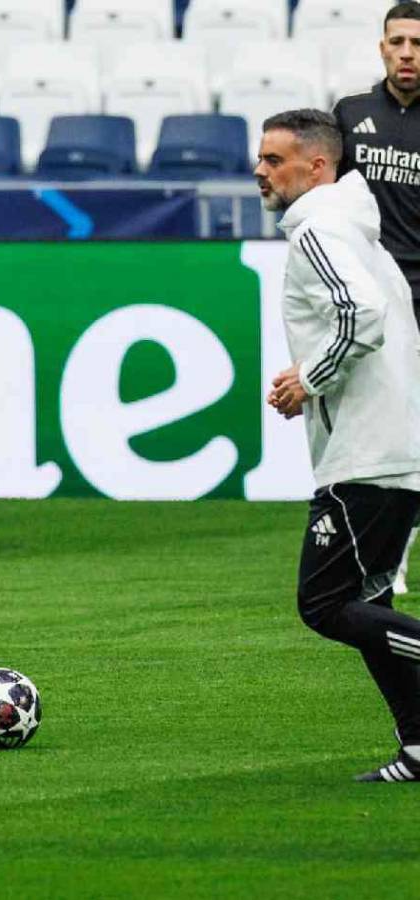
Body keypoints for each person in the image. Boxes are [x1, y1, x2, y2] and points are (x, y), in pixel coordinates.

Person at [256, 109, 420, 782]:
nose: (260, 170)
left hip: (368, 452)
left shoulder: (318, 229)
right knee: (371, 605)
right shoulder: (354, 227)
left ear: (317, 165)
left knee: (324, 604)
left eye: (274, 159)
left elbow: (363, 315)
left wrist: (310, 377)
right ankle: (419, 748)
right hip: (392, 445)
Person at [333, 1, 420, 593]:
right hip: (373, 301)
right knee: (382, 433)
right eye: (398, 42)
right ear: (382, 47)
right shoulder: (351, 114)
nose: (407, 53)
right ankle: (386, 556)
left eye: (417, 43)